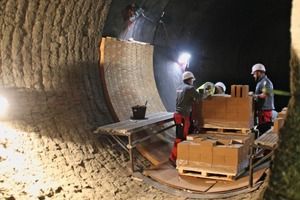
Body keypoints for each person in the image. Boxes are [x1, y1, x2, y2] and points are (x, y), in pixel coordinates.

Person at [169, 71, 206, 167]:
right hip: (183, 116)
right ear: (190, 80)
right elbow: (200, 97)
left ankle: (175, 157)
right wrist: (207, 94)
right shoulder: (190, 88)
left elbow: (184, 100)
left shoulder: (179, 88)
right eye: (192, 80)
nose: (192, 81)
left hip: (176, 114)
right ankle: (174, 158)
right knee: (182, 137)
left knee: (179, 135)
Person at [251, 63, 275, 134]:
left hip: (265, 111)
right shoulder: (261, 82)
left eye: (254, 74)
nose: (253, 75)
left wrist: (255, 96)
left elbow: (266, 94)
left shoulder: (265, 81)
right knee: (261, 128)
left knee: (264, 129)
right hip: (262, 111)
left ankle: (264, 144)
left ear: (259, 72)